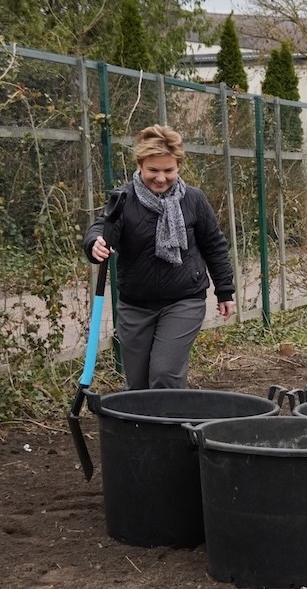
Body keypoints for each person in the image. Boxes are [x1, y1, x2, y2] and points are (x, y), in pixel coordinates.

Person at [83, 124, 235, 390]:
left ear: (178, 167)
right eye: (153, 170)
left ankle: (172, 430)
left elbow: (215, 245)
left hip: (184, 300)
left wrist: (225, 291)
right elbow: (102, 228)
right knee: (138, 385)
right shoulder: (124, 198)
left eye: (169, 170)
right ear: (140, 165)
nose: (161, 178)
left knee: (165, 375)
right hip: (135, 305)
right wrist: (94, 243)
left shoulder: (194, 200)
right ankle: (143, 431)